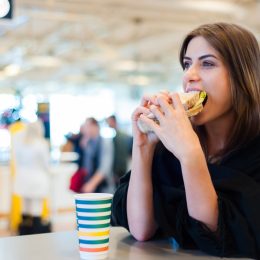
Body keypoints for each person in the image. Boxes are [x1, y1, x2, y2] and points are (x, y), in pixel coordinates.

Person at [111, 23, 260, 259]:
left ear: (243, 76)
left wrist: (190, 155)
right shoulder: (170, 142)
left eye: (207, 63)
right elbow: (141, 229)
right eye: (187, 64)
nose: (189, 76)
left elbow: (219, 238)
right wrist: (144, 147)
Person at [13, 120, 51, 235]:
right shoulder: (41, 144)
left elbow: (17, 161)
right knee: (36, 206)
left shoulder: (21, 143)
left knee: (25, 205)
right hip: (37, 179)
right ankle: (36, 230)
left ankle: (24, 231)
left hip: (23, 178)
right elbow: (46, 164)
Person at [81, 117, 114, 193]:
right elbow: (87, 166)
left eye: (88, 126)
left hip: (104, 186)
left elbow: (105, 167)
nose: (85, 129)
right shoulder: (89, 142)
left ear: (95, 126)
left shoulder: (105, 142)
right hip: (91, 186)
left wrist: (92, 184)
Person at [106, 115, 132, 187]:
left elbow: (120, 156)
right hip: (123, 171)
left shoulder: (119, 137)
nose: (108, 124)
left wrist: (117, 173)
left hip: (120, 172)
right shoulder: (121, 134)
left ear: (113, 121)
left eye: (109, 122)